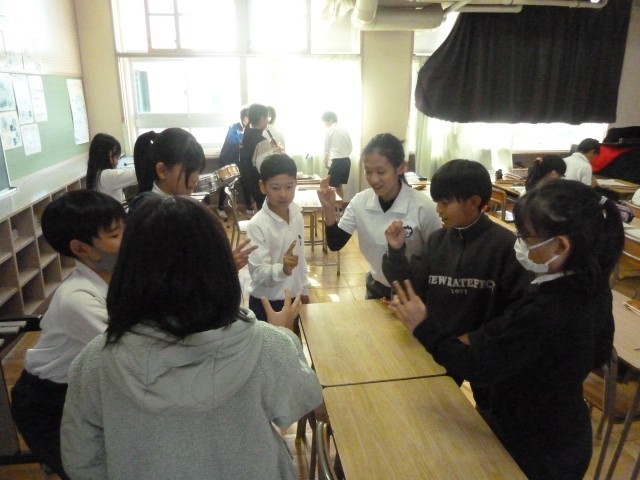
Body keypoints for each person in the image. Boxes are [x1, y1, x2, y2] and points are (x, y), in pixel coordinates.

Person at [60, 196, 323, 480]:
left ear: (128, 269)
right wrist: (284, 333)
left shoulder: (93, 362)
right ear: (221, 267)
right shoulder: (269, 346)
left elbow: (81, 460)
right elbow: (304, 404)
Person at [387, 180, 623, 480]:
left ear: (561, 245)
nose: (520, 244)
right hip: (564, 430)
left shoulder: (548, 309)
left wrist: (422, 326)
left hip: (534, 446)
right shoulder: (592, 285)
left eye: (526, 237)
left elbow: (478, 367)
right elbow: (599, 352)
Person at [382, 159, 531, 410]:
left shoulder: (505, 246)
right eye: (437, 202)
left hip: (483, 354)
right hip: (438, 343)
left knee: (488, 416)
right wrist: (396, 251)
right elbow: (410, 288)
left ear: (474, 202)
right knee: (432, 408)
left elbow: (516, 311)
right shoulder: (437, 241)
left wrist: (474, 338)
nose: (438, 209)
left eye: (445, 203)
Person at [11, 190, 126, 480]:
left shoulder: (114, 276)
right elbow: (130, 353)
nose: (129, 240)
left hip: (82, 389)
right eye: (115, 235)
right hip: (48, 403)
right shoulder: (77, 299)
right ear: (81, 248)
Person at [317, 133, 440, 299]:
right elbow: (335, 243)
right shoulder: (360, 202)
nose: (374, 179)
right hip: (376, 287)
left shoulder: (424, 207)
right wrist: (329, 209)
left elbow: (437, 260)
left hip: (414, 292)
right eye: (368, 171)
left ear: (401, 168)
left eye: (381, 172)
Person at [247, 154, 309, 322]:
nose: (283, 194)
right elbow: (258, 273)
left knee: (295, 338)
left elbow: (301, 258)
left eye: (289, 187)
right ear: (263, 186)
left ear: (296, 183)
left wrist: (304, 290)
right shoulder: (257, 225)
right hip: (267, 302)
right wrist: (283, 270)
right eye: (275, 188)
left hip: (294, 298)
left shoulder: (297, 216)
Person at [217, 107, 249, 220]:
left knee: (245, 182)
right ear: (245, 118)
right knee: (225, 184)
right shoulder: (234, 127)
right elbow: (232, 139)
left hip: (239, 161)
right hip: (227, 160)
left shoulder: (249, 129)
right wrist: (244, 134)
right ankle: (220, 207)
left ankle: (249, 208)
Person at [86, 133, 137, 203]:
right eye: (115, 156)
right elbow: (137, 175)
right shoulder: (106, 176)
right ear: (106, 156)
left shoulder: (96, 172)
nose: (118, 161)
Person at [239, 103, 270, 213]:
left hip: (253, 187)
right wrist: (276, 154)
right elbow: (267, 169)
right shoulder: (261, 141)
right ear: (262, 118)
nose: (268, 121)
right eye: (267, 117)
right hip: (262, 190)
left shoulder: (247, 136)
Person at [321, 111, 352, 200]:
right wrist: (345, 154)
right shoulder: (345, 130)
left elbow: (326, 149)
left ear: (330, 120)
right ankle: (339, 206)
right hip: (347, 161)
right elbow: (350, 147)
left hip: (338, 161)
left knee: (327, 183)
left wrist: (325, 162)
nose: (324, 124)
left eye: (325, 122)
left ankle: (332, 205)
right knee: (338, 186)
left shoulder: (329, 130)